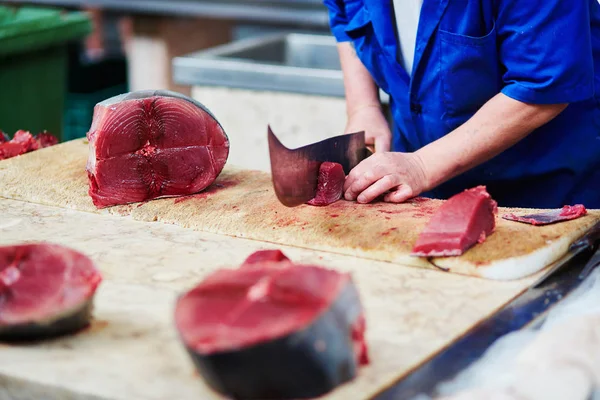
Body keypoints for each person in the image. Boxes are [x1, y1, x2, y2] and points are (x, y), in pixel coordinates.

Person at [323, 0, 600, 208]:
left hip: (542, 192)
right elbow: (344, 13)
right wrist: (364, 106)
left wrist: (421, 166)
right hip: (416, 186)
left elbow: (544, 85)